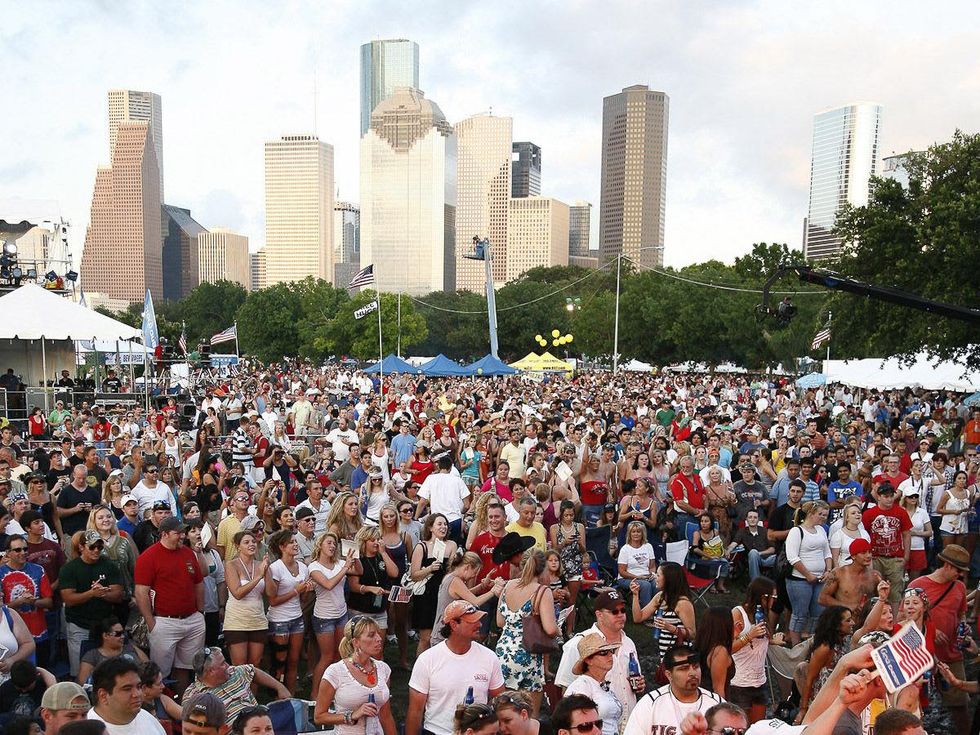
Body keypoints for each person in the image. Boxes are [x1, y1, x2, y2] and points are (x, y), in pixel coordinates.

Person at [406, 600, 506, 735]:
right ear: (454, 624)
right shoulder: (427, 660)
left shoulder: (490, 657)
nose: (480, 624)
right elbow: (415, 710)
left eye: (479, 620)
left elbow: (500, 701)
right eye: (472, 621)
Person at [133, 516, 205, 693]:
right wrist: (151, 623)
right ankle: (160, 707)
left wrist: (200, 612)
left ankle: (182, 703)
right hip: (164, 621)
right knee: (160, 672)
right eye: (177, 533)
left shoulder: (188, 553)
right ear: (164, 534)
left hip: (192, 619)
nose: (182, 536)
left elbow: (199, 583)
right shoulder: (148, 557)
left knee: (186, 668)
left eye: (183, 532)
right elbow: (141, 592)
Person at [908, 544, 970, 731]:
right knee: (916, 708)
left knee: (960, 705)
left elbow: (961, 613)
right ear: (947, 565)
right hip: (921, 657)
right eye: (958, 570)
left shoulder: (959, 587)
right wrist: (930, 630)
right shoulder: (917, 586)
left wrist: (963, 626)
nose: (960, 575)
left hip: (951, 656)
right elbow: (904, 620)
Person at [555, 588, 643, 720]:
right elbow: (566, 691)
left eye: (623, 610)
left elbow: (632, 681)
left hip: (629, 722)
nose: (621, 615)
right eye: (614, 611)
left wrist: (638, 685)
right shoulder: (579, 644)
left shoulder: (629, 643)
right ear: (599, 614)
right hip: (596, 726)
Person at [494, 549, 558, 716]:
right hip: (528, 653)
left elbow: (500, 622)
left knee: (504, 711)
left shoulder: (508, 586)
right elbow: (550, 629)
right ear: (542, 569)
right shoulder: (542, 591)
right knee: (528, 715)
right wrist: (559, 627)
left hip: (503, 652)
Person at [313, 616, 396, 735]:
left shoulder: (383, 669)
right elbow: (319, 717)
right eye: (371, 635)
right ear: (356, 642)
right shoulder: (335, 672)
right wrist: (352, 715)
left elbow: (386, 715)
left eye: (378, 634)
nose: (379, 639)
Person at [60, 530, 124, 678]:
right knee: (80, 670)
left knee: (109, 671)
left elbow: (118, 595)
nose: (96, 550)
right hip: (79, 625)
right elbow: (68, 599)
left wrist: (102, 593)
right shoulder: (70, 569)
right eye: (92, 547)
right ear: (82, 547)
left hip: (104, 627)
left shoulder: (109, 565)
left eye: (99, 547)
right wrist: (91, 593)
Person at [622, 644, 723, 735]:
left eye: (696, 667)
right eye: (684, 668)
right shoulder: (650, 703)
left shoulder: (716, 704)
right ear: (669, 675)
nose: (692, 673)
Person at [181, 646, 290, 726]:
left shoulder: (234, 672)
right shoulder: (194, 696)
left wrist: (280, 687)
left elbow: (254, 671)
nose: (228, 665)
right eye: (223, 664)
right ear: (211, 672)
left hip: (261, 723)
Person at [309, 532, 356, 697]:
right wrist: (345, 567)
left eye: (334, 544)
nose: (332, 546)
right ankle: (315, 694)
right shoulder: (314, 566)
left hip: (341, 614)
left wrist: (354, 556)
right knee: (327, 656)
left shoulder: (339, 563)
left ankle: (334, 691)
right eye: (328, 543)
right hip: (324, 617)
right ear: (320, 545)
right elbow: (328, 584)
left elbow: (359, 571)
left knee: (339, 655)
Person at [264, 529, 312, 691]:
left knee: (293, 660)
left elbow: (302, 600)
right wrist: (296, 590)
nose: (295, 544)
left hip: (296, 618)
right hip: (279, 620)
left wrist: (306, 591)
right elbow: (273, 600)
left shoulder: (303, 568)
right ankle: (277, 694)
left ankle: (290, 695)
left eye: (295, 542)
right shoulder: (275, 568)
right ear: (282, 547)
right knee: (280, 662)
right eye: (291, 542)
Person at [729, 577, 782, 723]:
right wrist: (748, 636)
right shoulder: (738, 613)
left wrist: (772, 641)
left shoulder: (763, 614)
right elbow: (728, 647)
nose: (774, 600)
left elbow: (760, 640)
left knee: (757, 727)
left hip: (760, 681)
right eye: (773, 597)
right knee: (740, 727)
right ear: (763, 597)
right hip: (739, 683)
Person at [0, 533, 54, 665]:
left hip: (39, 633)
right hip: (12, 637)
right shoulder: (0, 573)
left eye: (25, 549)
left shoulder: (38, 570)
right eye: (18, 550)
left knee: (41, 672)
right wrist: (19, 602)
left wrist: (33, 601)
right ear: (8, 553)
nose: (23, 552)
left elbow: (49, 602)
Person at [784, 500, 832, 645]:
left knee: (818, 613)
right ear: (811, 514)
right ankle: (796, 645)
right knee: (800, 613)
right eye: (820, 514)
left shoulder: (822, 530)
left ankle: (811, 641)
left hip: (820, 579)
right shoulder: (796, 531)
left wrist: (828, 570)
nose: (823, 517)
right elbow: (792, 557)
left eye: (825, 515)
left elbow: (827, 552)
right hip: (799, 580)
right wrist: (807, 575)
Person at [410, 513, 459, 653]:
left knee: (445, 635)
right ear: (430, 527)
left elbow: (452, 570)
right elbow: (414, 575)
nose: (443, 527)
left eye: (445, 524)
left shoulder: (451, 545)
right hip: (426, 595)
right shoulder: (422, 547)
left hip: (444, 593)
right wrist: (430, 569)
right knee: (426, 637)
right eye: (439, 524)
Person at [797, 606, 854, 724]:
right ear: (837, 625)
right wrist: (803, 710)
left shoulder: (845, 641)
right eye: (848, 620)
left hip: (838, 696)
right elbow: (810, 679)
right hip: (823, 701)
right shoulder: (825, 648)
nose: (853, 623)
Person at [222, 530, 268, 667]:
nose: (251, 544)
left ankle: (253, 690)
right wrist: (259, 576)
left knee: (255, 665)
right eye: (246, 542)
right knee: (240, 665)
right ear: (238, 546)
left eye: (253, 542)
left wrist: (267, 571)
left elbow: (271, 593)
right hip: (237, 622)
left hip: (258, 620)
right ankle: (240, 689)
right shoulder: (231, 565)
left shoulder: (260, 565)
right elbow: (237, 593)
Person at [632, 561, 696, 658]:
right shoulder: (660, 597)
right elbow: (638, 618)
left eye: (658, 575)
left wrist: (670, 627)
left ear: (669, 579)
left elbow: (692, 634)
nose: (655, 578)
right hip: (665, 654)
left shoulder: (683, 603)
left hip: (681, 654)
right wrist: (635, 595)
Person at [862, 482, 911, 611]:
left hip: (895, 558)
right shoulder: (868, 514)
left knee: (895, 592)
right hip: (875, 557)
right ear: (878, 497)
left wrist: (906, 556)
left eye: (891, 496)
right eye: (886, 496)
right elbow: (864, 536)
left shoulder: (901, 512)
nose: (889, 499)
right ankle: (873, 620)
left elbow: (906, 534)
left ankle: (893, 622)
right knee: (873, 591)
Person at [87, 657, 166, 735]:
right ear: (103, 696)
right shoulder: (86, 729)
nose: (137, 694)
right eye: (127, 689)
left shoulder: (148, 719)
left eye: (138, 687)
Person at [564, 634, 623, 735]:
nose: (610, 655)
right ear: (588, 660)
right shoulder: (581, 686)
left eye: (611, 651)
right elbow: (573, 723)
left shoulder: (605, 686)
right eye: (604, 652)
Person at [818, 538, 882, 616]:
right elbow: (822, 598)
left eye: (870, 552)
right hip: (844, 621)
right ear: (853, 556)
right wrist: (847, 606)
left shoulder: (875, 576)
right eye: (863, 553)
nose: (868, 556)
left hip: (867, 621)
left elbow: (881, 600)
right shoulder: (838, 573)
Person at [77, 616, 148, 685]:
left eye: (123, 633)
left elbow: (149, 667)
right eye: (118, 634)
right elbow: (83, 683)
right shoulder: (92, 656)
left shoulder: (131, 648)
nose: (123, 636)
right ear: (105, 636)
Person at [616, 520, 657, 610]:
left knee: (656, 583)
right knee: (645, 585)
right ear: (629, 534)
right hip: (627, 578)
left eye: (638, 532)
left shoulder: (648, 546)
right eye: (633, 532)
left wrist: (652, 575)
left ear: (643, 533)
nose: (636, 534)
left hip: (646, 576)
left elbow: (652, 566)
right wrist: (638, 577)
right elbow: (622, 571)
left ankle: (656, 611)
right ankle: (645, 613)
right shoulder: (625, 549)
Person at [694, 606, 734, 698]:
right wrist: (722, 711)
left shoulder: (703, 645)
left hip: (702, 698)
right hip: (714, 703)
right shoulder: (720, 651)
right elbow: (718, 689)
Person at [729, 509, 775, 580]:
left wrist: (759, 553)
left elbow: (772, 549)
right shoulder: (742, 531)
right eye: (750, 517)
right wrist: (728, 550)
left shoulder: (764, 531)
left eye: (755, 517)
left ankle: (779, 585)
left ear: (758, 519)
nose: (752, 519)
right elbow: (734, 543)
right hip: (752, 558)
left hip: (767, 558)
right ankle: (756, 582)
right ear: (746, 519)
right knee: (753, 552)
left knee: (781, 558)